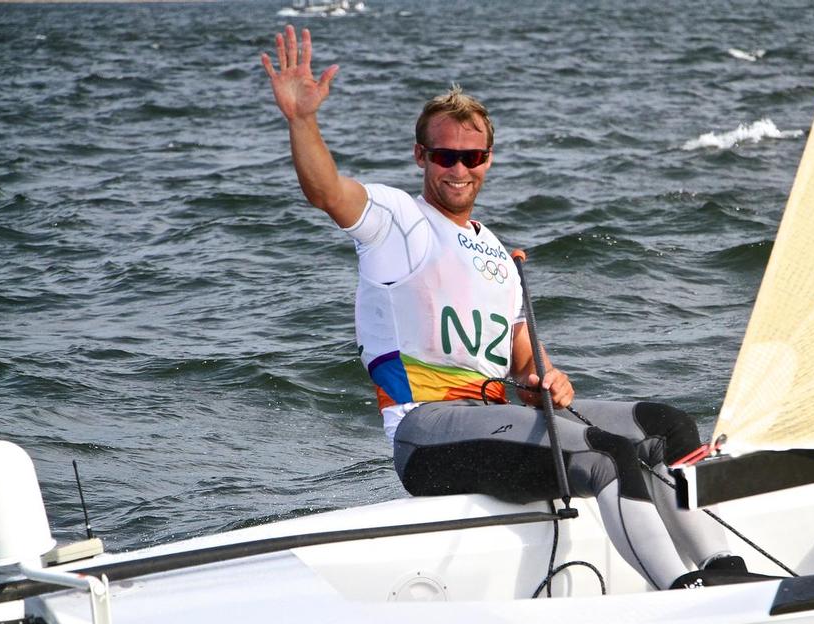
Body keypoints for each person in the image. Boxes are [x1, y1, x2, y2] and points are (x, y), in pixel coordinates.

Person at [262, 26, 752, 589]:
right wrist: (302, 121)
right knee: (607, 454)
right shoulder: (397, 221)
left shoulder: (495, 250)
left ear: (488, 160)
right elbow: (327, 191)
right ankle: (681, 594)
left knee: (666, 426)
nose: (459, 169)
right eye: (445, 155)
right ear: (422, 155)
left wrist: (546, 372)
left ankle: (726, 573)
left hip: (496, 414)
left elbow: (521, 356)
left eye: (472, 157)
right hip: (427, 435)